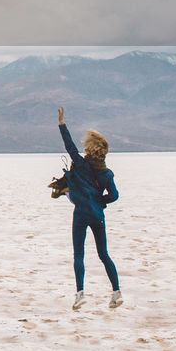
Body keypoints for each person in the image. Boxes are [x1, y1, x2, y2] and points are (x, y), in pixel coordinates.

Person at [55, 106, 122, 310]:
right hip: (97, 215)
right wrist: (100, 202)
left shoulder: (82, 165)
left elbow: (70, 147)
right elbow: (114, 195)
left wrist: (62, 124)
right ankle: (116, 292)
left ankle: (80, 294)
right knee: (104, 254)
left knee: (79, 255)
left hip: (81, 214)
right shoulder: (106, 174)